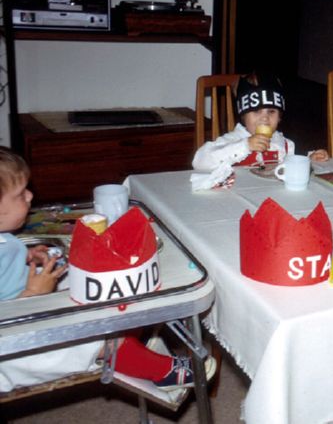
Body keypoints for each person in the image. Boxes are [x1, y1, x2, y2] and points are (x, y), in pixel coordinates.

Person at [0, 147, 215, 392]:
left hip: (29, 299)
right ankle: (157, 369)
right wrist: (31, 295)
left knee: (103, 283)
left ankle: (125, 337)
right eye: (19, 195)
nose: (29, 196)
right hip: (12, 344)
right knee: (88, 341)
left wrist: (27, 255)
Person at [192, 72, 328, 188]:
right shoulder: (233, 140)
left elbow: (289, 167)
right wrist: (245, 146)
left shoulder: (284, 144)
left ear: (280, 117)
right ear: (243, 116)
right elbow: (199, 162)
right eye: (256, 111)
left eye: (272, 111)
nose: (265, 119)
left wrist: (308, 160)